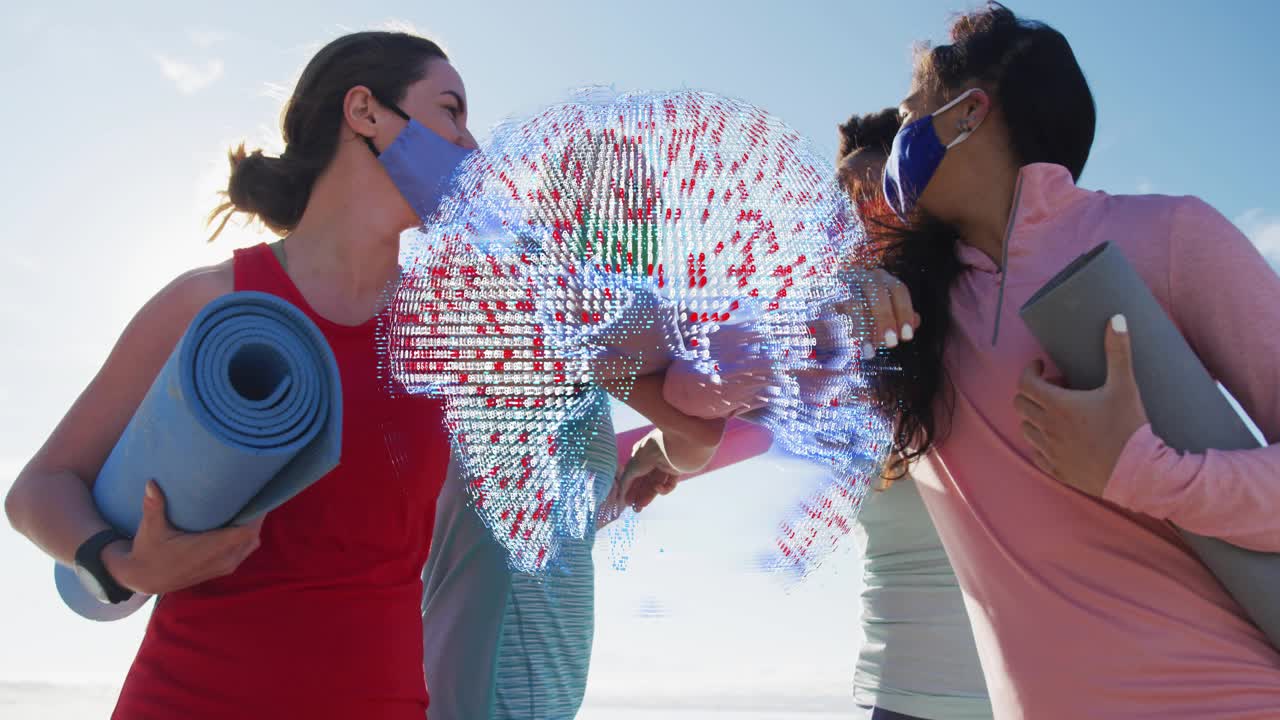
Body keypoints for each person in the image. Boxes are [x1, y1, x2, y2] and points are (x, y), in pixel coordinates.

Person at [5, 31, 477, 719]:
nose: (471, 144)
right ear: (365, 112)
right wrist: (123, 566)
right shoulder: (210, 302)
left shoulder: (452, 332)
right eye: (451, 111)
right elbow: (39, 490)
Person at [855, 3, 1280, 717]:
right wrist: (827, 297)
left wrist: (1149, 476)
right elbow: (708, 391)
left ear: (967, 115)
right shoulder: (907, 313)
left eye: (907, 117)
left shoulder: (1171, 238)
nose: (896, 144)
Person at [420, 134, 756, 720]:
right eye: (630, 202)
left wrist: (624, 480)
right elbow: (701, 438)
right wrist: (662, 443)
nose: (642, 222)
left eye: (645, 204)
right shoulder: (546, 316)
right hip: (492, 685)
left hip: (536, 689)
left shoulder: (581, 350)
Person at [836, 109, 993, 720]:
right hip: (897, 699)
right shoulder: (838, 352)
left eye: (873, 194)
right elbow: (715, 410)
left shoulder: (992, 315)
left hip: (1035, 693)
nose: (855, 218)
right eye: (842, 204)